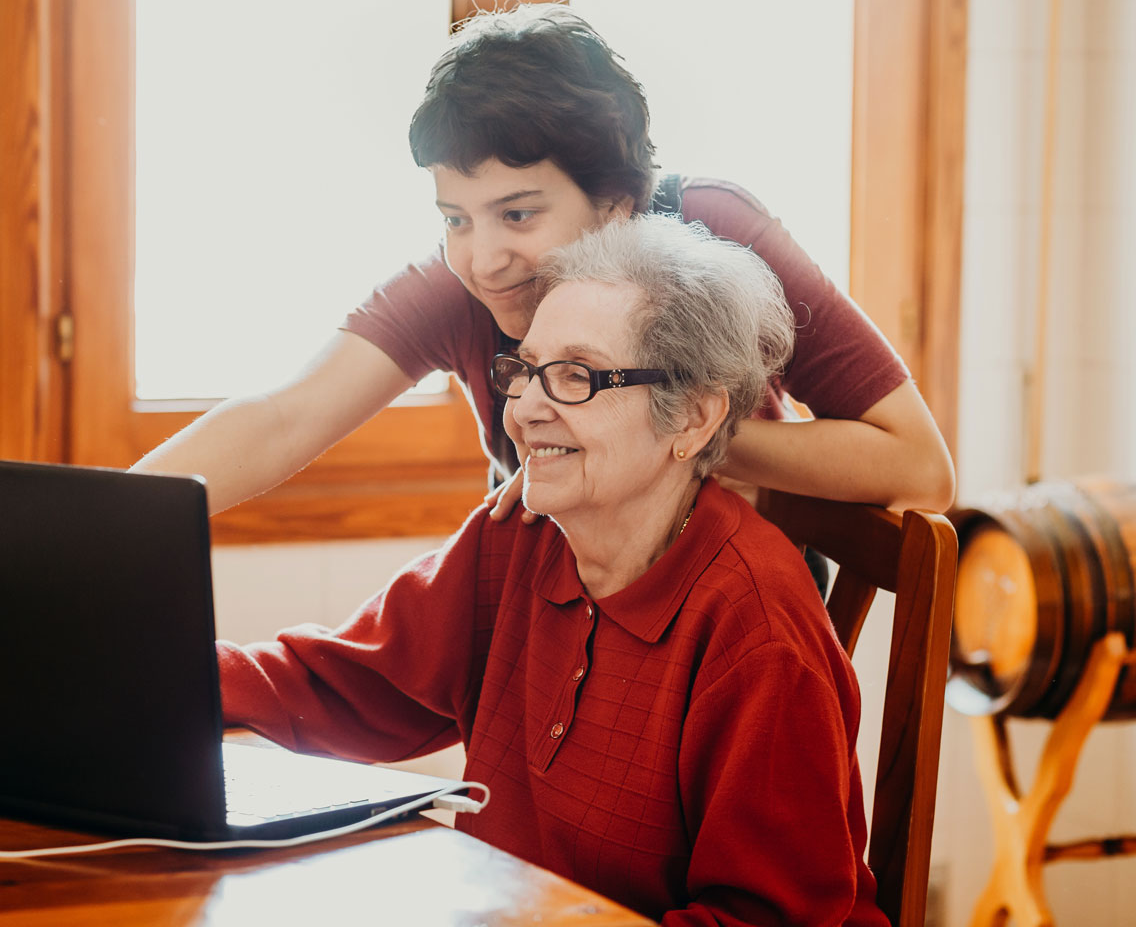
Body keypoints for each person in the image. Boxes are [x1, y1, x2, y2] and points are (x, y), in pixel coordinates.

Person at [218, 215, 888, 925]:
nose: (527, 408)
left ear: (692, 418)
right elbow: (348, 683)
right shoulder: (522, 536)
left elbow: (769, 918)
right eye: (525, 369)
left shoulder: (756, 632)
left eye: (576, 376)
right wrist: (152, 675)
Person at [132, 3, 954, 519]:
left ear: (617, 205)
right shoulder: (462, 284)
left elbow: (919, 467)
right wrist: (106, 524)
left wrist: (663, 435)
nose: (483, 259)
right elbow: (284, 417)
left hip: (725, 657)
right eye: (455, 218)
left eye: (518, 214)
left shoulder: (715, 233)